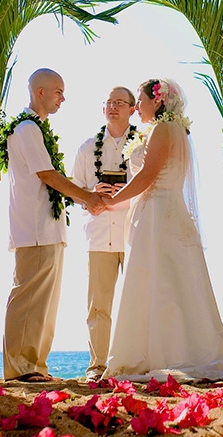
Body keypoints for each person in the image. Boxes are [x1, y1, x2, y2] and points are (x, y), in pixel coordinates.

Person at [101, 79, 223, 381]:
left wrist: (111, 201)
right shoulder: (174, 130)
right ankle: (165, 349)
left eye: (142, 100)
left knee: (158, 280)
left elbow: (147, 175)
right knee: (171, 281)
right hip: (163, 213)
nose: (137, 107)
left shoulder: (163, 129)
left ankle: (160, 354)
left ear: (156, 101)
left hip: (158, 215)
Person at [2, 69, 104, 382]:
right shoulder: (27, 128)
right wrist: (86, 196)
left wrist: (85, 196)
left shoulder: (37, 129)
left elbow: (52, 179)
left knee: (45, 303)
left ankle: (34, 366)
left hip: (48, 227)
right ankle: (20, 369)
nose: (63, 98)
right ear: (41, 92)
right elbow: (46, 174)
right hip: (33, 228)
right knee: (29, 298)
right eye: (58, 91)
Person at [70, 86, 140, 382]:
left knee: (136, 301)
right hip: (98, 235)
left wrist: (124, 194)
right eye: (108, 102)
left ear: (132, 109)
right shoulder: (88, 147)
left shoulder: (141, 145)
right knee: (98, 305)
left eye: (120, 103)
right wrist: (92, 193)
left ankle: (136, 363)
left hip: (133, 232)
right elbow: (74, 190)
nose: (113, 107)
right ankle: (97, 366)